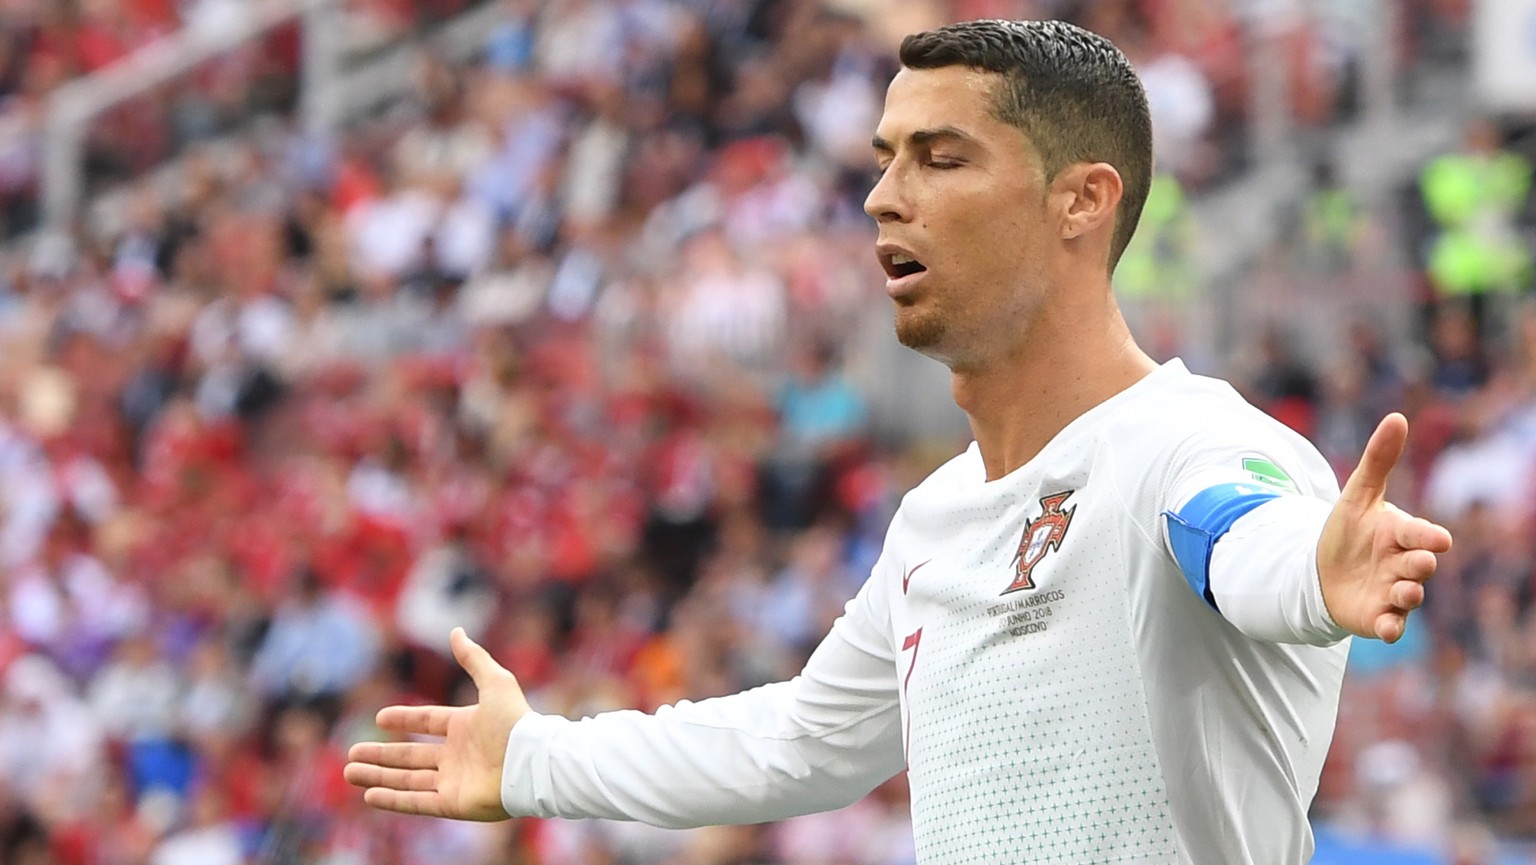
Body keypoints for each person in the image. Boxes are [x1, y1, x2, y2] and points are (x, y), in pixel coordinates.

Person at [343, 19, 1452, 864]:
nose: (882, 196)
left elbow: (1237, 537)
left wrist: (1313, 568)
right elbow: (799, 742)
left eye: (940, 157)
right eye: (884, 158)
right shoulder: (933, 519)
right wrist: (534, 757)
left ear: (1083, 201)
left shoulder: (1190, 445)